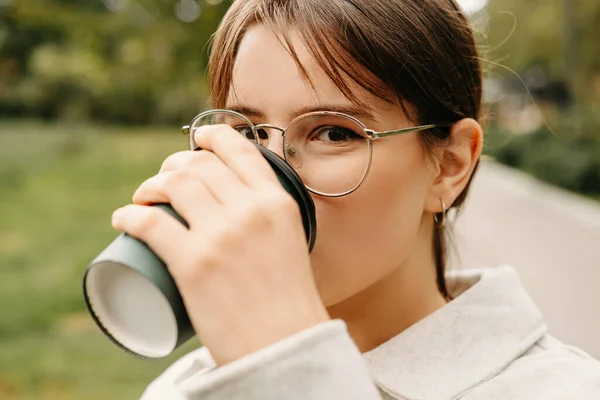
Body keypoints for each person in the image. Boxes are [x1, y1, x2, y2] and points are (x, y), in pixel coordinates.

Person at [110, 0, 600, 398]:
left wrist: (287, 369)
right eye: (247, 132)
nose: (266, 185)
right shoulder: (186, 387)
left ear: (449, 166)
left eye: (333, 132)